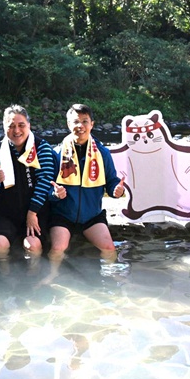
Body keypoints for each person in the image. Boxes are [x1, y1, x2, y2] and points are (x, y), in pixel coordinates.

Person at [49, 104, 126, 266]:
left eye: (85, 121)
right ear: (68, 124)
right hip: (63, 215)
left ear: (92, 124)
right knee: (57, 248)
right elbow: (47, 187)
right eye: (76, 122)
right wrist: (55, 194)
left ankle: (113, 278)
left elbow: (111, 181)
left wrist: (116, 190)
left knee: (109, 248)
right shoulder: (57, 153)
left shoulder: (102, 153)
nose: (80, 126)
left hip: (92, 216)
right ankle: (51, 275)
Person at [0, 105, 56, 260]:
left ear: (29, 125)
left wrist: (32, 212)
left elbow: (45, 182)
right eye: (11, 126)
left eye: (21, 125)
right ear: (4, 127)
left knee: (33, 246)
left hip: (36, 212)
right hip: (7, 213)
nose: (16, 131)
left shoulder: (41, 147)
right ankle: (4, 272)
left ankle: (34, 273)